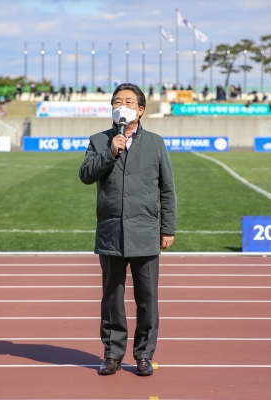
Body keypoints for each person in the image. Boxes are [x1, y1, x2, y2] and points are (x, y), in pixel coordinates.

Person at [79, 83, 177, 377]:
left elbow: (167, 189)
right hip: (111, 231)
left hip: (145, 230)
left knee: (147, 298)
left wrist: (167, 228)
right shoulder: (99, 140)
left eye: (129, 102)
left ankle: (144, 354)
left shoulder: (156, 143)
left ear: (141, 110)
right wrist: (110, 152)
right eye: (117, 101)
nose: (122, 106)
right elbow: (86, 175)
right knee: (112, 297)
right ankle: (112, 354)